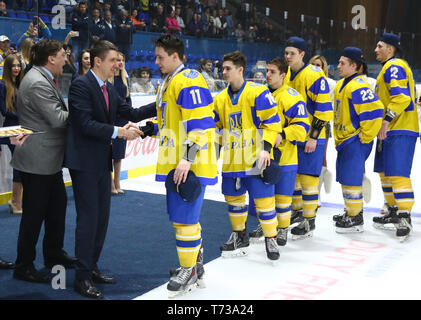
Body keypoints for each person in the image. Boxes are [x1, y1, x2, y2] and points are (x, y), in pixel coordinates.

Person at [65, 40, 157, 299]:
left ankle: (90, 266)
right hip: (83, 163)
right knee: (88, 220)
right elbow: (84, 124)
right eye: (113, 60)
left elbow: (131, 111)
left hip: (100, 161)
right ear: (98, 61)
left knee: (101, 219)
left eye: (118, 60)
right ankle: (81, 278)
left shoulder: (109, 87)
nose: (118, 65)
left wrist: (160, 102)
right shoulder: (80, 86)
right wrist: (120, 132)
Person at [141, 35, 218, 297]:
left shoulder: (188, 80)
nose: (156, 61)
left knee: (184, 219)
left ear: (176, 56)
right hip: (180, 161)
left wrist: (187, 158)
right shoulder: (170, 80)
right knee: (183, 219)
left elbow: (202, 125)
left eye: (160, 56)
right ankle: (194, 265)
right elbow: (172, 122)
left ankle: (189, 272)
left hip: (190, 163)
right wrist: (147, 128)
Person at [10, 39, 77, 283]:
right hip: (38, 160)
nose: (65, 59)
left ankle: (53, 255)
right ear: (51, 58)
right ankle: (24, 265)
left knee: (56, 211)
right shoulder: (38, 81)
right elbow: (59, 119)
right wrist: (83, 112)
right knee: (34, 216)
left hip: (48, 160)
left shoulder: (41, 76)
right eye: (62, 55)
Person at [213, 51, 282, 262]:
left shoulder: (258, 92)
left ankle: (271, 237)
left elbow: (272, 123)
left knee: (264, 201)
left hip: (255, 159)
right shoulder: (219, 99)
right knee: (234, 201)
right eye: (223, 68)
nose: (223, 72)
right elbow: (216, 131)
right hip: (232, 160)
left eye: (228, 68)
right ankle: (240, 235)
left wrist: (265, 148)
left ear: (240, 70)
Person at [249, 57, 310, 247]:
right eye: (267, 71)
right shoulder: (259, 94)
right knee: (261, 197)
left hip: (285, 158)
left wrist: (282, 133)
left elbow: (302, 128)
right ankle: (266, 225)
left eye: (272, 72)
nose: (267, 75)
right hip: (259, 155)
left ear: (283, 75)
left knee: (283, 198)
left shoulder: (292, 97)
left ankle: (282, 228)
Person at [283, 37, 333, 240]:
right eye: (286, 53)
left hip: (312, 137)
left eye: (292, 53)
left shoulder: (313, 74)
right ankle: (298, 212)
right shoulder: (287, 73)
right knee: (295, 178)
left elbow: (323, 108)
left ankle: (309, 220)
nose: (287, 57)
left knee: (308, 180)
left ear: (302, 54)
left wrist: (313, 137)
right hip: (295, 136)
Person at [372, 33, 419, 242]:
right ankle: (393, 210)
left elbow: (401, 97)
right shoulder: (389, 68)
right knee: (385, 172)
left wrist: (386, 120)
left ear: (390, 49)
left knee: (398, 173)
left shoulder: (394, 66)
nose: (375, 49)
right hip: (390, 129)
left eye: (379, 46)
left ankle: (404, 216)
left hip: (399, 128)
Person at [332, 47, 383, 233]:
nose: (338, 66)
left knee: (352, 179)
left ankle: (355, 217)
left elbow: (376, 111)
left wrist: (366, 135)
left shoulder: (359, 85)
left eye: (342, 63)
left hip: (355, 140)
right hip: (345, 141)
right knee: (346, 178)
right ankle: (351, 211)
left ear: (355, 66)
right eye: (338, 62)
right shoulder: (341, 84)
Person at [309, 55, 335, 206]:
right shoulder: (304, 79)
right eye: (313, 64)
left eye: (319, 65)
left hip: (322, 123)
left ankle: (317, 193)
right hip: (305, 123)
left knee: (321, 158)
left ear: (324, 67)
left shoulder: (330, 83)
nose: (316, 67)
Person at [0, 54, 24, 214]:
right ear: (8, 68)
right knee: (20, 165)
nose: (16, 68)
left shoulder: (21, 84)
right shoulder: (2, 85)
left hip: (22, 129)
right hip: (10, 130)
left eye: (18, 65)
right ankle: (15, 202)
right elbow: (4, 110)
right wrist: (23, 116)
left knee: (21, 165)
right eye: (13, 66)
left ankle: (15, 200)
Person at [110, 52, 130, 195]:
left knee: (118, 154)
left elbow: (128, 100)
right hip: (111, 119)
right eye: (118, 60)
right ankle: (110, 184)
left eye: (123, 60)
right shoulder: (108, 78)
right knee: (108, 154)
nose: (121, 62)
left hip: (122, 119)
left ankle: (117, 182)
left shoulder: (125, 78)